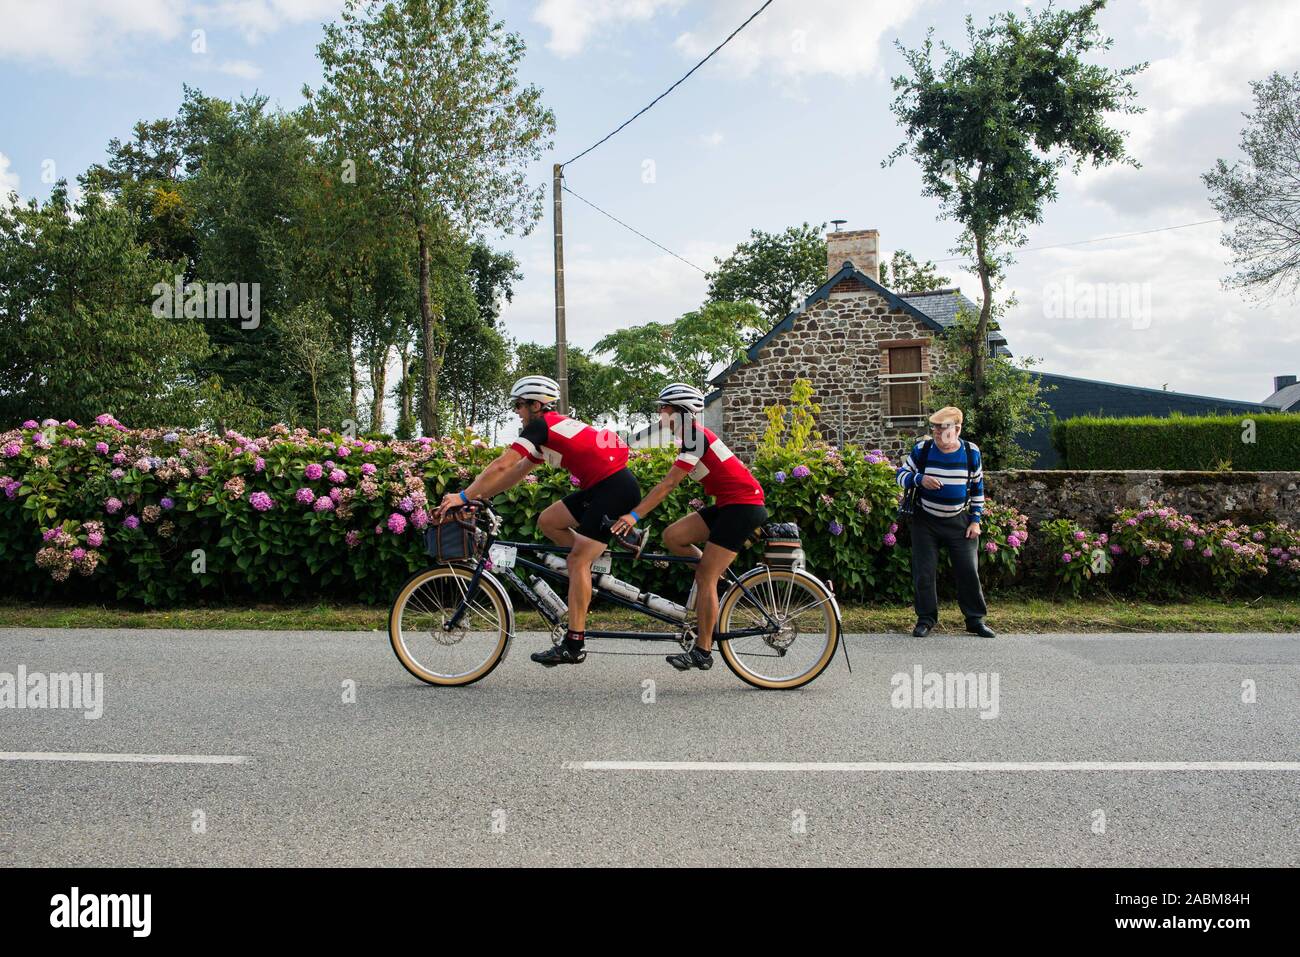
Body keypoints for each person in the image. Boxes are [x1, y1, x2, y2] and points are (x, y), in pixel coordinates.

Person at [434, 375, 641, 667]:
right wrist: (477, 496)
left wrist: (464, 495)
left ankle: (573, 643)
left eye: (519, 405)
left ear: (536, 404)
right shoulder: (549, 430)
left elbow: (502, 463)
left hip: (614, 488)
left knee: (577, 561)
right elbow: (515, 473)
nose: (516, 411)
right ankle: (590, 566)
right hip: (603, 487)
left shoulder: (541, 426)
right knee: (549, 520)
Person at [611, 383, 768, 671]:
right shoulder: (691, 438)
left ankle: (703, 651)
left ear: (680, 412)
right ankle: (715, 584)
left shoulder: (696, 436)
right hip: (728, 505)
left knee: (705, 577)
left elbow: (668, 484)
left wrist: (633, 516)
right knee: (674, 536)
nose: (660, 415)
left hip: (743, 507)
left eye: (664, 409)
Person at [895, 406, 996, 638]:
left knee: (968, 570)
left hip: (959, 520)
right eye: (935, 430)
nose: (939, 435)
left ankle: (974, 620)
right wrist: (919, 479)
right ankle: (925, 619)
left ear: (958, 429)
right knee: (924, 571)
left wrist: (975, 520)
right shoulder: (923, 449)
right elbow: (900, 475)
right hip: (925, 520)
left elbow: (978, 488)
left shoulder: (971, 452)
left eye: (944, 431)